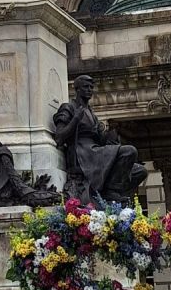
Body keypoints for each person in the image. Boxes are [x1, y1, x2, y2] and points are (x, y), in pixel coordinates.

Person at [52, 75, 147, 204]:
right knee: (130, 151)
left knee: (140, 171)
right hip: (83, 154)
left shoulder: (91, 113)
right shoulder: (69, 107)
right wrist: (75, 120)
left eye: (91, 87)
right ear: (77, 89)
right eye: (86, 87)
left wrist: (109, 136)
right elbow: (59, 137)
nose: (89, 90)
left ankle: (114, 192)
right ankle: (110, 193)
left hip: (95, 153)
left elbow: (101, 140)